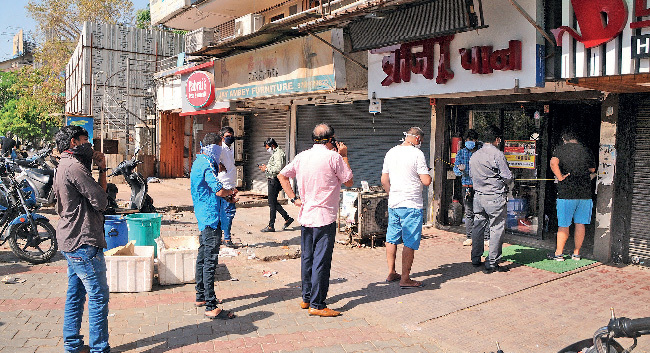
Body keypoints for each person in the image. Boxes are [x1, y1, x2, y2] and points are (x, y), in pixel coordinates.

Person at [277, 123, 353, 317]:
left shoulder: (302, 156)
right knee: (322, 261)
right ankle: (317, 304)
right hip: (324, 217)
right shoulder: (334, 157)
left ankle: (306, 297)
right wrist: (344, 155)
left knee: (308, 258)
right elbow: (349, 180)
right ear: (331, 140)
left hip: (306, 216)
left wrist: (293, 198)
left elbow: (282, 175)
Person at [53, 126, 110, 353]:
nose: (90, 145)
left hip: (70, 238)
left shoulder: (64, 164)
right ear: (74, 143)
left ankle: (72, 344)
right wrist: (103, 168)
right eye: (86, 140)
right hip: (83, 240)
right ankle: (99, 348)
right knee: (98, 296)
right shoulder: (75, 167)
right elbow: (101, 201)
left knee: (76, 294)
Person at [190, 133, 237, 320]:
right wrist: (231, 192)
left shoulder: (198, 161)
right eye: (220, 147)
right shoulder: (208, 164)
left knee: (202, 256)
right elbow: (217, 189)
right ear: (214, 147)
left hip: (203, 215)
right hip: (211, 217)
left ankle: (200, 295)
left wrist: (225, 195)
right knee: (210, 260)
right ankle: (211, 305)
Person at [381, 127, 432, 288]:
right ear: (417, 139)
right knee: (410, 241)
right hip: (411, 204)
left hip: (394, 203)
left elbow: (384, 179)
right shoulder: (417, 154)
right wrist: (427, 174)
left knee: (392, 238)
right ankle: (405, 278)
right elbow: (426, 181)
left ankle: (391, 272)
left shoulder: (391, 152)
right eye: (421, 141)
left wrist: (392, 194)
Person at [469, 125, 513, 274]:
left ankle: (475, 257)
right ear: (497, 139)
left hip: (478, 196)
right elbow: (507, 177)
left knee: (478, 226)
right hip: (494, 196)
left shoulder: (475, 154)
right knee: (496, 227)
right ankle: (492, 261)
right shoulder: (497, 154)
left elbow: (471, 174)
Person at [548, 130, 596, 261]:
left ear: (564, 139)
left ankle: (558, 254)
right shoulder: (586, 150)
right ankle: (576, 253)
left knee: (564, 224)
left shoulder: (561, 149)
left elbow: (553, 163)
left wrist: (560, 177)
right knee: (580, 223)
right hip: (585, 193)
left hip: (566, 193)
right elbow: (592, 170)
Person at [453, 129, 488, 246]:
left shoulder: (481, 151)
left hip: (481, 186)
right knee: (469, 212)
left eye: (471, 140)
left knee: (483, 211)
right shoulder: (461, 153)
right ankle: (469, 237)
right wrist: (459, 170)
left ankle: (486, 238)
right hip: (467, 186)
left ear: (476, 140)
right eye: (467, 140)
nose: (469, 142)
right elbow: (456, 170)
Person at [258, 138, 294, 232]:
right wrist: (266, 167)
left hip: (274, 180)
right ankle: (287, 218)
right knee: (272, 201)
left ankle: (271, 226)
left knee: (271, 203)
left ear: (272, 146)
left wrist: (266, 169)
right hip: (273, 179)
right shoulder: (276, 153)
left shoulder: (278, 154)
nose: (267, 150)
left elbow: (278, 168)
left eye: (267, 148)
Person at [217, 126, 238, 247]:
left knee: (225, 212)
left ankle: (222, 237)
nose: (230, 138)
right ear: (222, 137)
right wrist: (219, 165)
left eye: (231, 136)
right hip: (224, 184)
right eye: (227, 136)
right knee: (229, 212)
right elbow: (212, 158)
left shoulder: (230, 148)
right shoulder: (221, 148)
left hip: (230, 184)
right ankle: (227, 238)